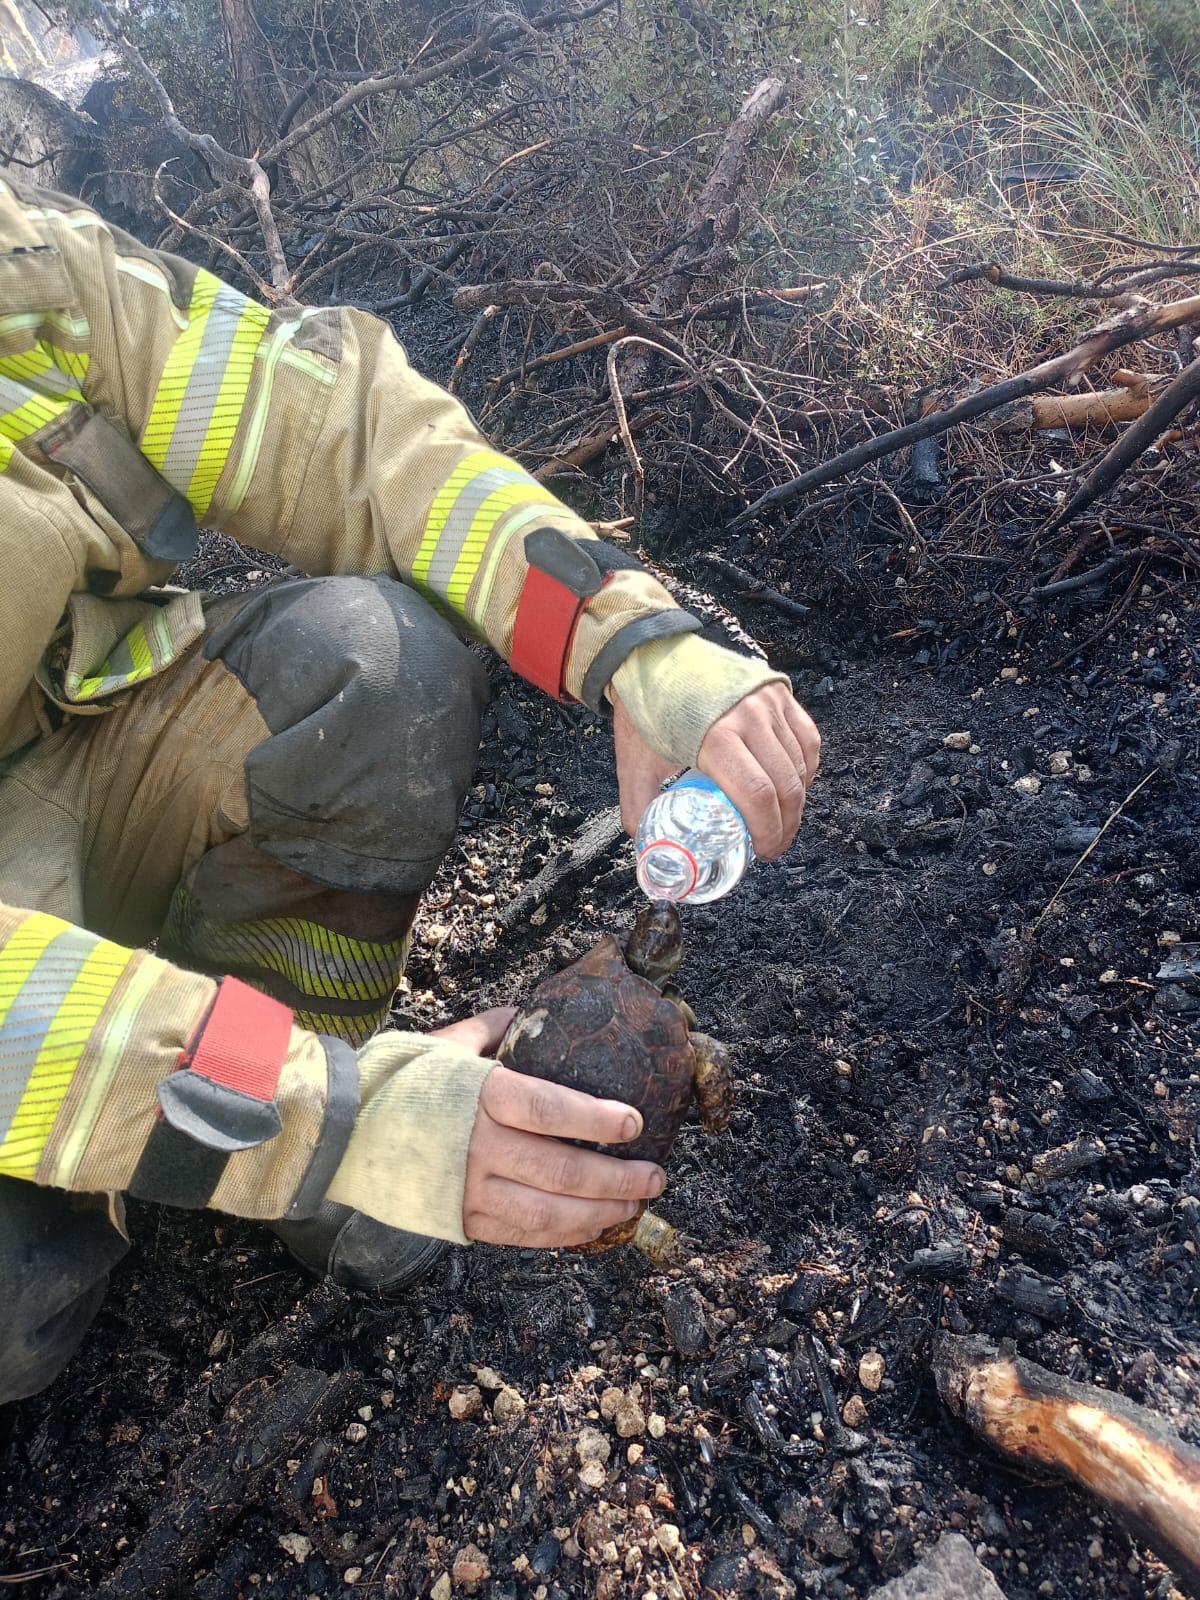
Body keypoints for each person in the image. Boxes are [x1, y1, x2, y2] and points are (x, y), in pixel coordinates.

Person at [0, 174, 820, 1404]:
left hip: (59, 744)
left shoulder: (31, 279)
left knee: (376, 666)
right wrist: (336, 1120)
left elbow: (357, 436)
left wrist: (635, 642)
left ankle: (292, 1124)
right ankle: (211, 1155)